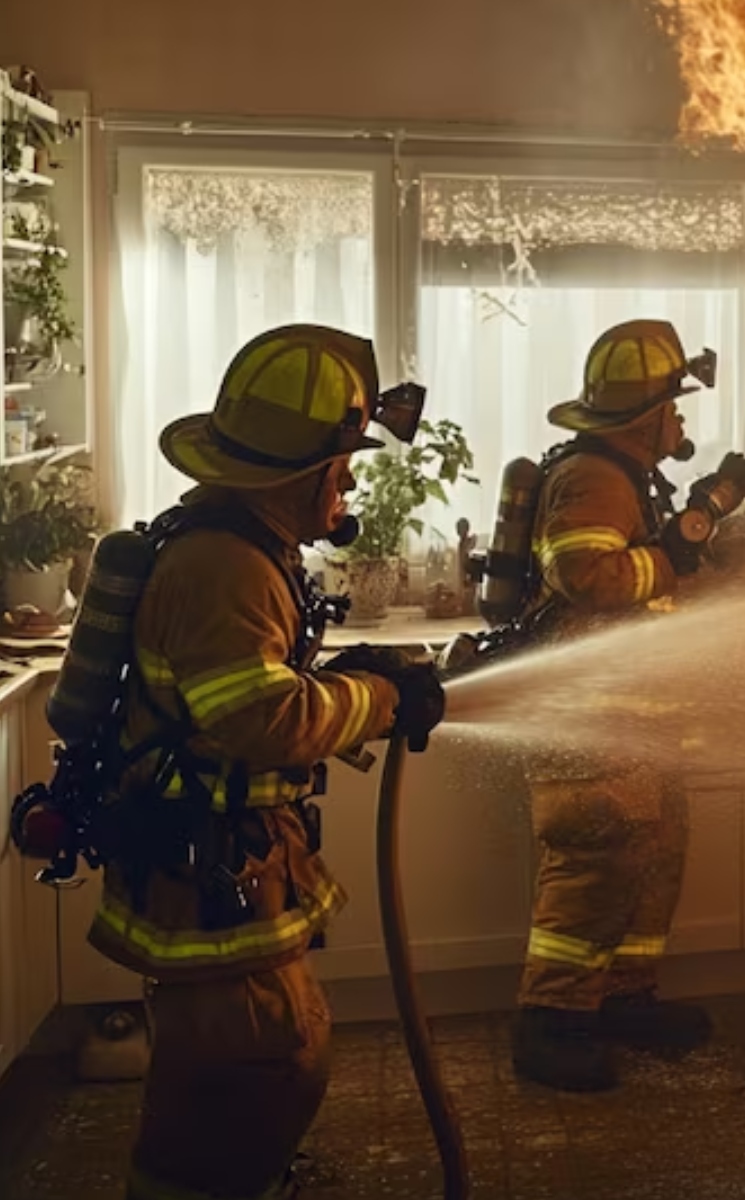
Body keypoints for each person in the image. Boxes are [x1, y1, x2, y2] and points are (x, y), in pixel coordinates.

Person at [90, 325, 445, 1200]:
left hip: (224, 857)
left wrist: (353, 675)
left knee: (246, 1068)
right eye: (344, 465)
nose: (350, 484)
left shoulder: (242, 548)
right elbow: (261, 720)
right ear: (307, 472)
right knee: (257, 1061)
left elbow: (248, 687)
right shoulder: (225, 567)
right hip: (209, 865)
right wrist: (383, 700)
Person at [512, 319, 745, 1091]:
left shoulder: (625, 476)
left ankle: (622, 998)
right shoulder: (594, 477)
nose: (680, 420)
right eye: (674, 406)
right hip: (586, 721)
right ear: (647, 416)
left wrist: (705, 518)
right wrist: (678, 549)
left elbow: (646, 564)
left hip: (631, 723)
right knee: (593, 865)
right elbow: (588, 576)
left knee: (650, 858)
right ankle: (550, 1021)